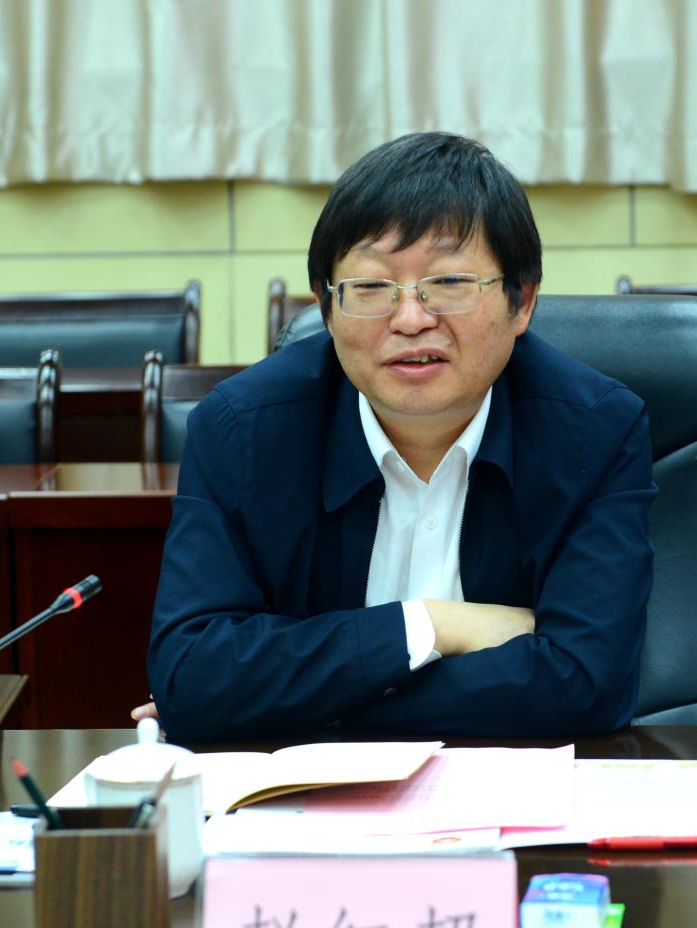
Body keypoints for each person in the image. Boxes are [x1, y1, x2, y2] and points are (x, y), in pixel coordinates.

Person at [137, 131, 656, 741]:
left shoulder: (594, 432)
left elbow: (586, 684)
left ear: (523, 303)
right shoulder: (241, 431)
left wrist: (305, 702)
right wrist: (432, 626)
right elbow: (193, 673)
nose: (411, 319)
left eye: (450, 283)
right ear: (328, 309)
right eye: (372, 288)